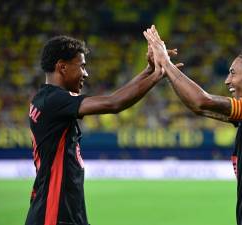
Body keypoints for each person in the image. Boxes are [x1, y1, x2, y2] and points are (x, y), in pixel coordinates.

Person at [144, 25, 242, 225]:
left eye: (232, 73)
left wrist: (166, 61)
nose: (227, 80)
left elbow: (202, 101)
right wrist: (166, 72)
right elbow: (199, 108)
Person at [25, 35, 180, 225]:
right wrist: (159, 73)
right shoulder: (54, 101)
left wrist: (149, 69)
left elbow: (113, 98)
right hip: (54, 214)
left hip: (61, 210)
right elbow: (113, 103)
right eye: (81, 66)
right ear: (62, 67)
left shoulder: (45, 98)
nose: (86, 73)